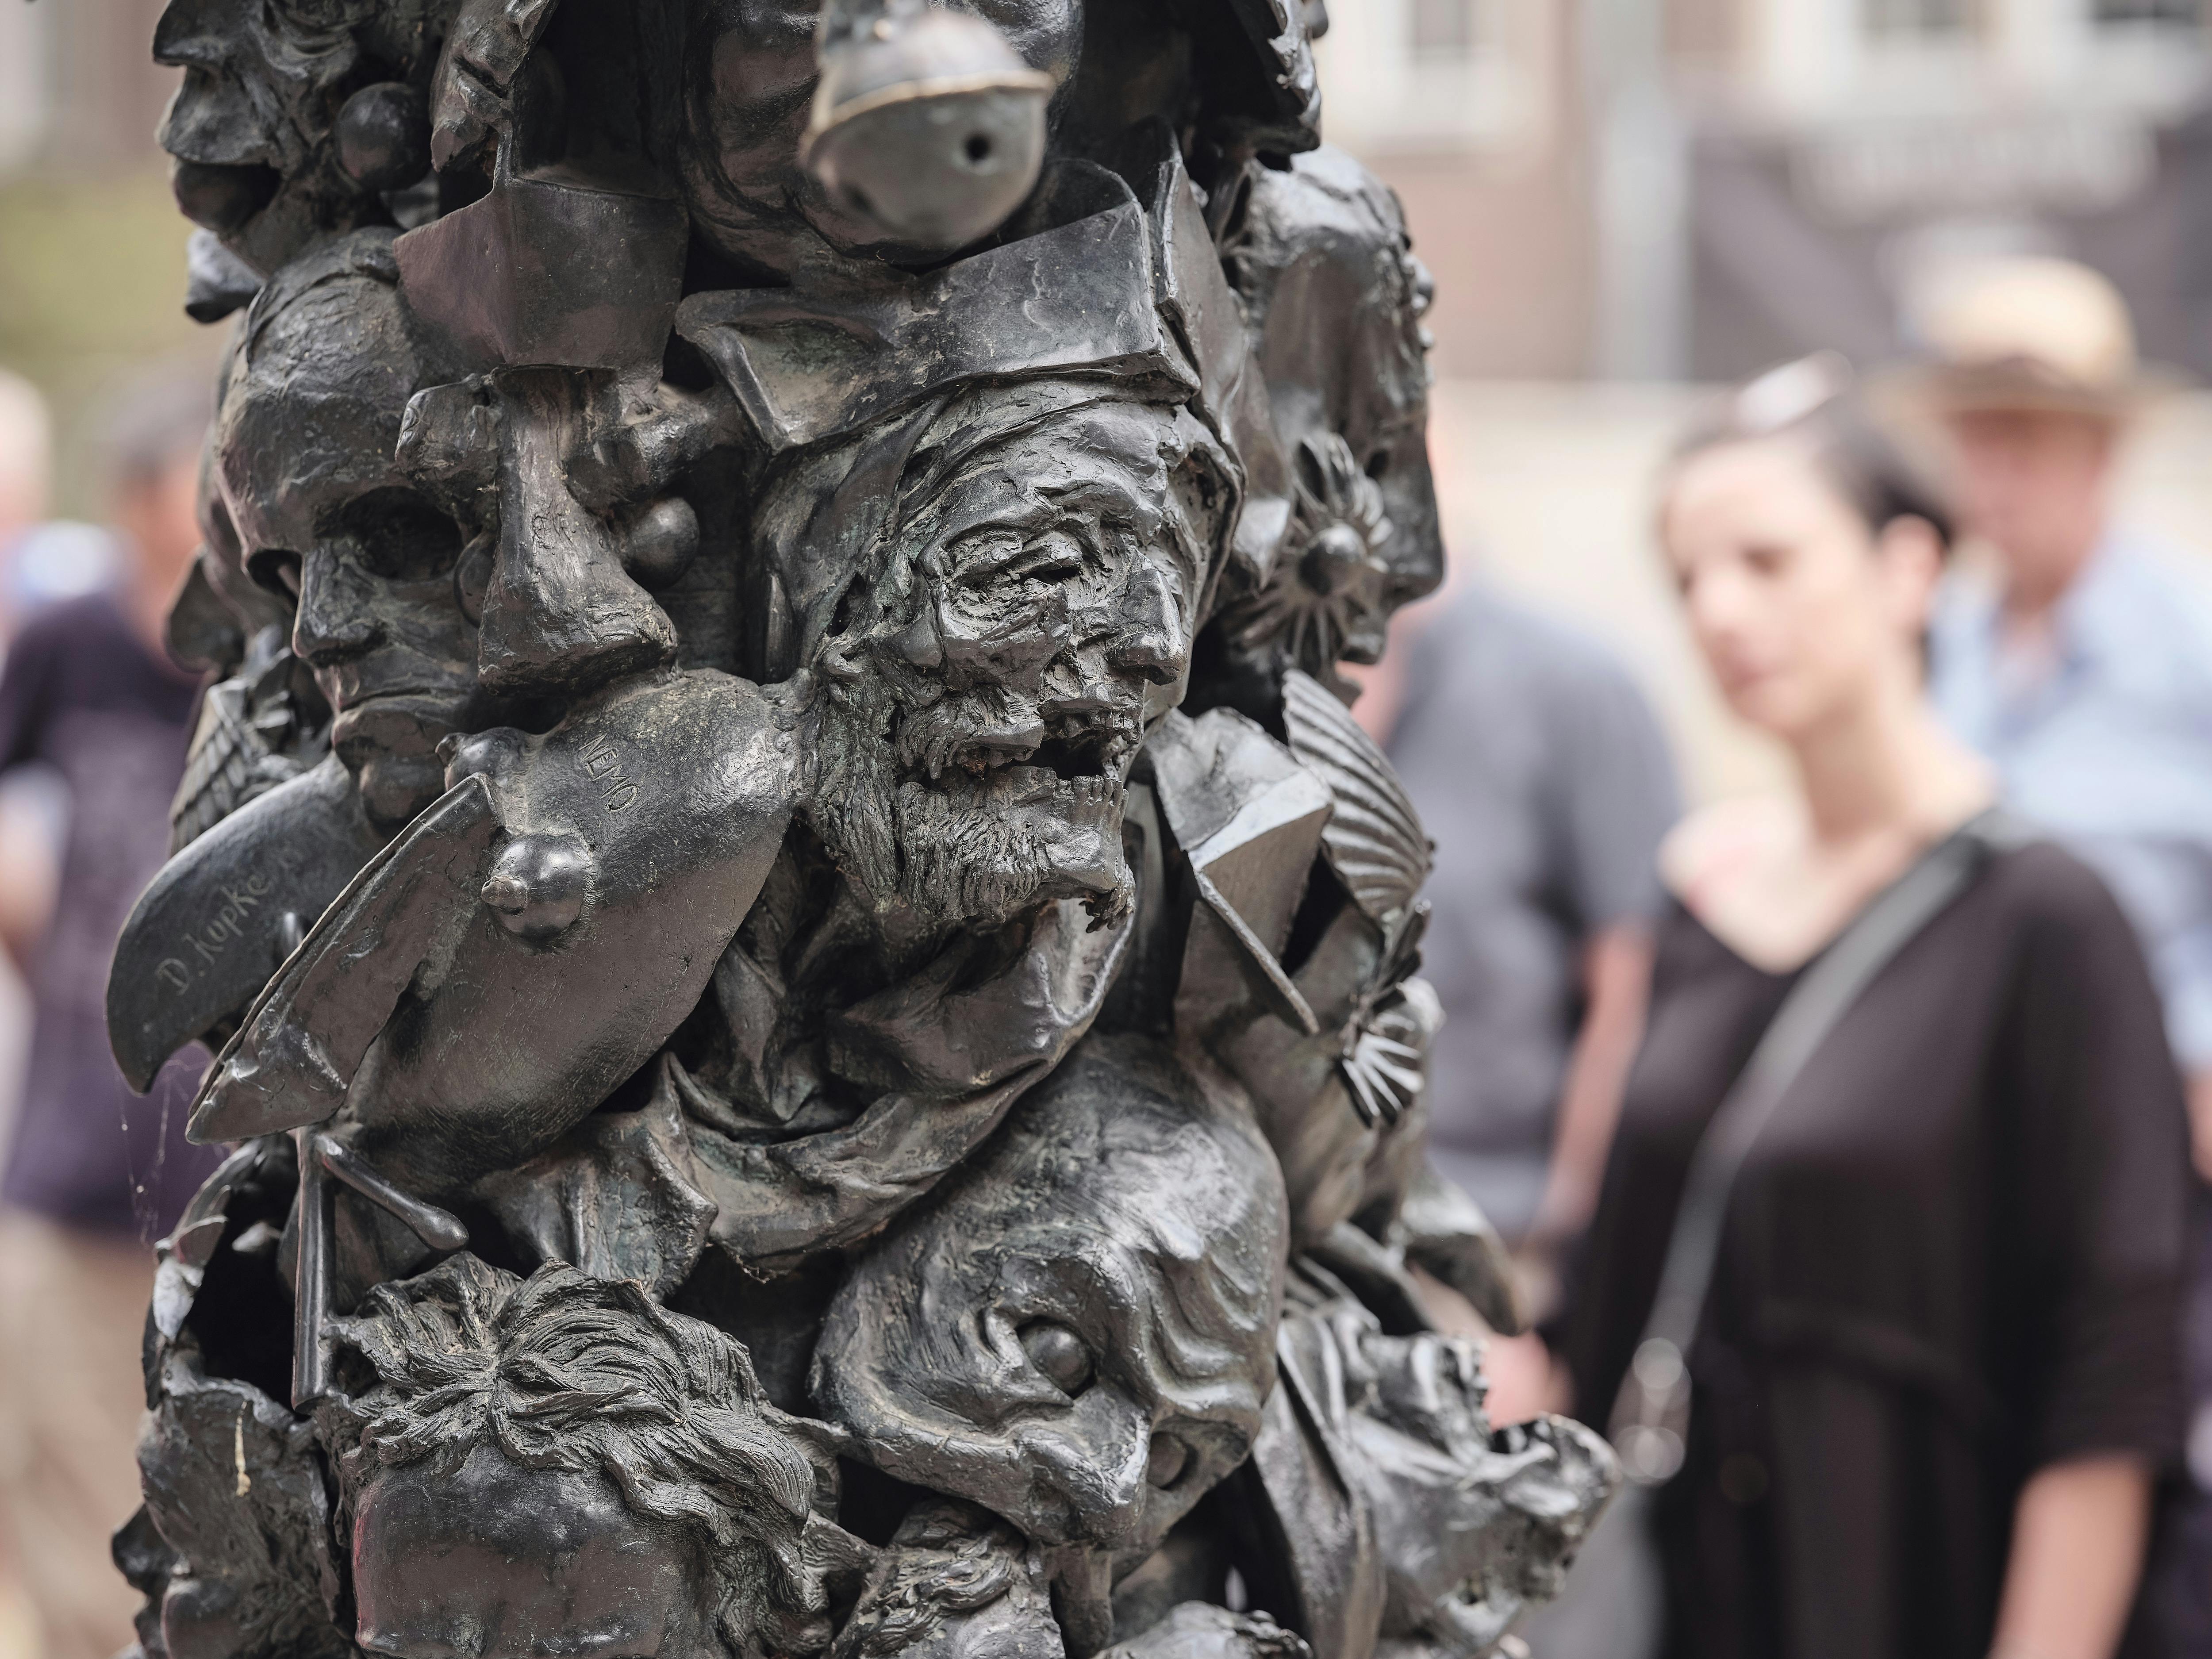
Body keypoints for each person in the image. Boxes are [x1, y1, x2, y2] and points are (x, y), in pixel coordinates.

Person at [1559, 355, 2188, 1659]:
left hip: (1919, 1584)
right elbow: (1603, 1290)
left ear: (1910, 568)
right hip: (1693, 1598)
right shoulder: (1705, 901)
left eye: (1769, 560)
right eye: (1689, 577)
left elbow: (2111, 1387)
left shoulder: (2048, 921)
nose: (1722, 610)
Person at [1918, 255, 2212, 1653]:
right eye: (1976, 439)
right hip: (1976, 1170)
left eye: (2024, 441)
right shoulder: (1940, 653)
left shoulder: (2191, 653)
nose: (1994, 476)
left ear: (2099, 449)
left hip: (2169, 1181)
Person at [0, 368, 225, 1659]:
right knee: (77, 1520)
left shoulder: (299, 652)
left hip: (236, 1171)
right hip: (75, 1154)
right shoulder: (72, 645)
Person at [1385, 581, 1679, 1258]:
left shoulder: (1573, 683)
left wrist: (1553, 1264)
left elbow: (1636, 981)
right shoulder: (1248, 673)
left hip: (1496, 1238)